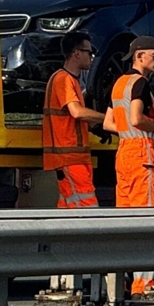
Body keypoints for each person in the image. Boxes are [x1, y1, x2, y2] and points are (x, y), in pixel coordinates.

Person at [104, 36, 154, 295]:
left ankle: (120, 280)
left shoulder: (120, 84)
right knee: (146, 220)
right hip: (143, 154)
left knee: (126, 221)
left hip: (124, 154)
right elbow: (137, 118)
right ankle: (143, 283)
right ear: (139, 56)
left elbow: (109, 124)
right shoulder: (140, 83)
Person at [43, 31, 105, 207]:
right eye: (89, 52)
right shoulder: (63, 79)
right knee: (87, 206)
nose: (91, 57)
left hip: (73, 157)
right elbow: (77, 112)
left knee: (70, 206)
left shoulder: (70, 80)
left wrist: (94, 127)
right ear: (76, 53)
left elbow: (72, 118)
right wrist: (108, 117)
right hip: (69, 158)